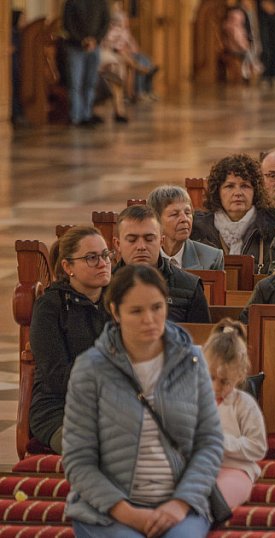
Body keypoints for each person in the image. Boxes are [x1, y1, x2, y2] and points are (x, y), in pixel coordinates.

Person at [63, 264, 223, 536]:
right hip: (109, 508)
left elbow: (209, 442)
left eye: (157, 307)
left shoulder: (192, 360)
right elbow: (78, 459)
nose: (149, 319)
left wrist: (180, 503)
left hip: (179, 503)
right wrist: (127, 513)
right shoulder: (90, 368)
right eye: (136, 311)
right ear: (115, 312)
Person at [29, 227, 112, 454]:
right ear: (68, 267)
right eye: (91, 258)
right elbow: (57, 376)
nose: (103, 263)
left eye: (105, 255)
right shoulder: (50, 306)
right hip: (59, 410)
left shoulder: (118, 302)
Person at [204, 319, 266, 510]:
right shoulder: (197, 400)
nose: (216, 387)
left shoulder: (244, 404)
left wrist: (222, 442)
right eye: (211, 378)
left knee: (216, 497)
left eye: (224, 381)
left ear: (239, 375)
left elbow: (258, 447)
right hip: (201, 469)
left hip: (236, 470)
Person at [191, 154, 275, 274]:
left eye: (245, 186)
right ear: (217, 191)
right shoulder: (198, 230)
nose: (238, 193)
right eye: (229, 186)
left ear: (256, 191)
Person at [115, 205, 211, 324]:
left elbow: (201, 333)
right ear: (117, 244)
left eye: (149, 239)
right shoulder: (105, 285)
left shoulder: (190, 287)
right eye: (132, 240)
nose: (141, 247)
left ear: (161, 241)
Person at [147, 185, 224, 271]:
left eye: (187, 213)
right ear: (155, 220)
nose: (184, 219)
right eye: (174, 214)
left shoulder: (211, 258)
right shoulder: (142, 256)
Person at [63, 0, 109, 127]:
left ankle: (87, 115)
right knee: (75, 83)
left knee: (90, 82)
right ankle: (76, 117)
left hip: (94, 47)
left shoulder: (101, 2)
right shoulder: (71, 2)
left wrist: (95, 40)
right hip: (75, 46)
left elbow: (105, 21)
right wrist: (81, 40)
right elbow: (68, 24)